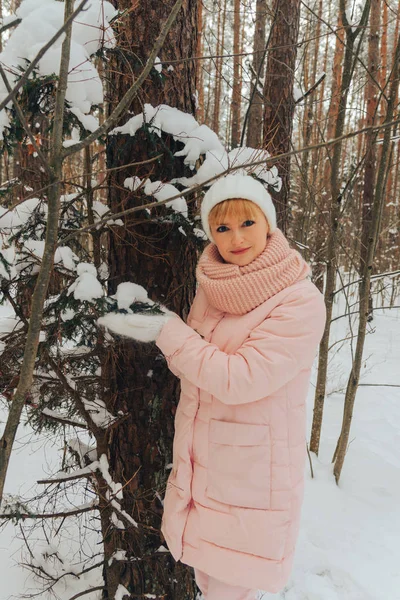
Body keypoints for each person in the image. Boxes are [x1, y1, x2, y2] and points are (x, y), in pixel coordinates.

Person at [98, 174, 326, 600]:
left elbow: (239, 379)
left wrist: (167, 330)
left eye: (247, 223)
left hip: (252, 482)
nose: (236, 238)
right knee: (208, 582)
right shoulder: (216, 287)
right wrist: (158, 326)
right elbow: (197, 370)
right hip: (205, 470)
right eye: (222, 227)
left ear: (268, 224)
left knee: (231, 589)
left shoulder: (299, 300)